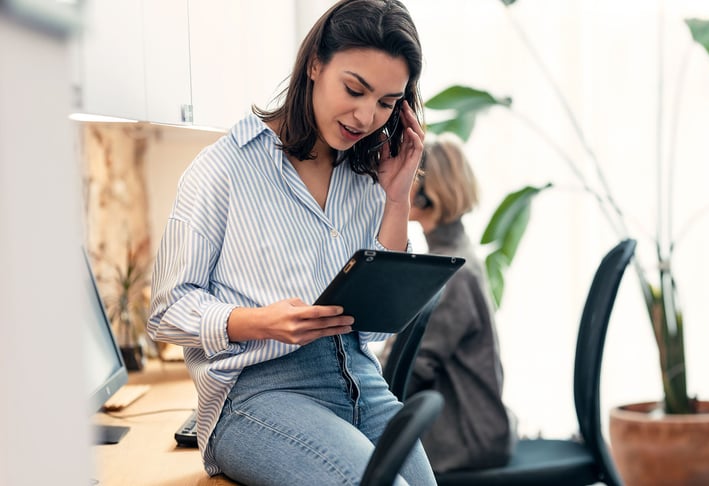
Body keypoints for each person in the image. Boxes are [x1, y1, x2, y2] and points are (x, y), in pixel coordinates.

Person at [147, 1, 436, 484]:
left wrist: (397, 199)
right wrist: (259, 322)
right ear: (315, 64)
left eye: (386, 103)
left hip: (361, 380)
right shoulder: (225, 168)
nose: (366, 115)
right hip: (259, 392)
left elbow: (377, 332)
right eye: (354, 89)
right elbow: (165, 310)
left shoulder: (367, 177)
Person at [405, 132, 517, 473]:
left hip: (467, 439)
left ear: (428, 193)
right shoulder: (454, 258)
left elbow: (414, 369)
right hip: (479, 430)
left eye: (405, 176)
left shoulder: (451, 272)